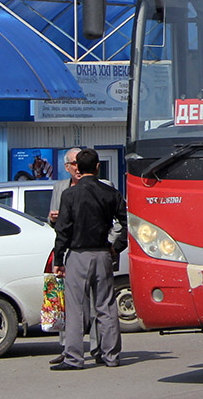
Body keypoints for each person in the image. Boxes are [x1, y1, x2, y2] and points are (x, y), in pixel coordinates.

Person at [51, 148, 127, 370]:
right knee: (106, 306)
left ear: (77, 168)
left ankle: (74, 358)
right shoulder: (110, 193)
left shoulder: (70, 195)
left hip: (77, 255)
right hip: (103, 254)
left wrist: (59, 259)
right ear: (97, 167)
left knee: (75, 308)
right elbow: (126, 222)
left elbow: (63, 229)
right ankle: (111, 355)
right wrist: (117, 247)